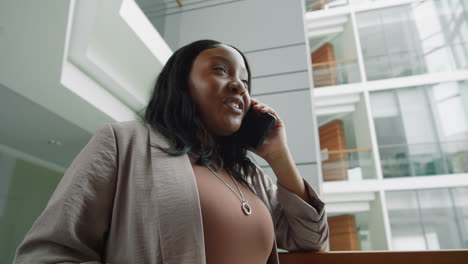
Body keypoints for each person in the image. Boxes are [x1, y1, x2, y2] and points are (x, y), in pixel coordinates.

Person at [14, 39, 328, 264]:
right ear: (181, 83)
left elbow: (312, 241)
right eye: (221, 70)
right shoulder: (125, 142)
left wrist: (278, 156)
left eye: (244, 81)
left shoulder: (250, 176)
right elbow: (48, 253)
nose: (239, 86)